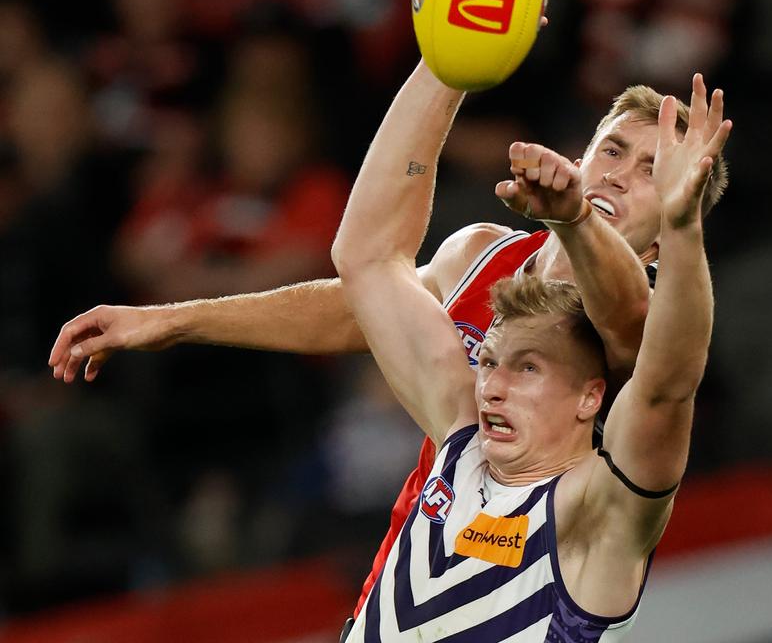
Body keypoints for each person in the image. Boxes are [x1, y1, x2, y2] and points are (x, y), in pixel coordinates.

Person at [48, 61, 729, 616]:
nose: (619, 172)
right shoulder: (482, 257)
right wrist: (175, 320)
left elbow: (640, 337)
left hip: (542, 572)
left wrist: (584, 219)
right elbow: (363, 300)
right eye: (612, 149)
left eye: (652, 170)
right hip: (406, 576)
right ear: (582, 155)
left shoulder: (649, 322)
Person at [332, 61, 730, 639]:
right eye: (489, 360)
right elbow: (366, 256)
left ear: (592, 396)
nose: (492, 384)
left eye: (528, 368)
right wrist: (445, 62)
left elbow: (667, 376)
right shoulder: (459, 436)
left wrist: (683, 222)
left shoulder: (598, 511)